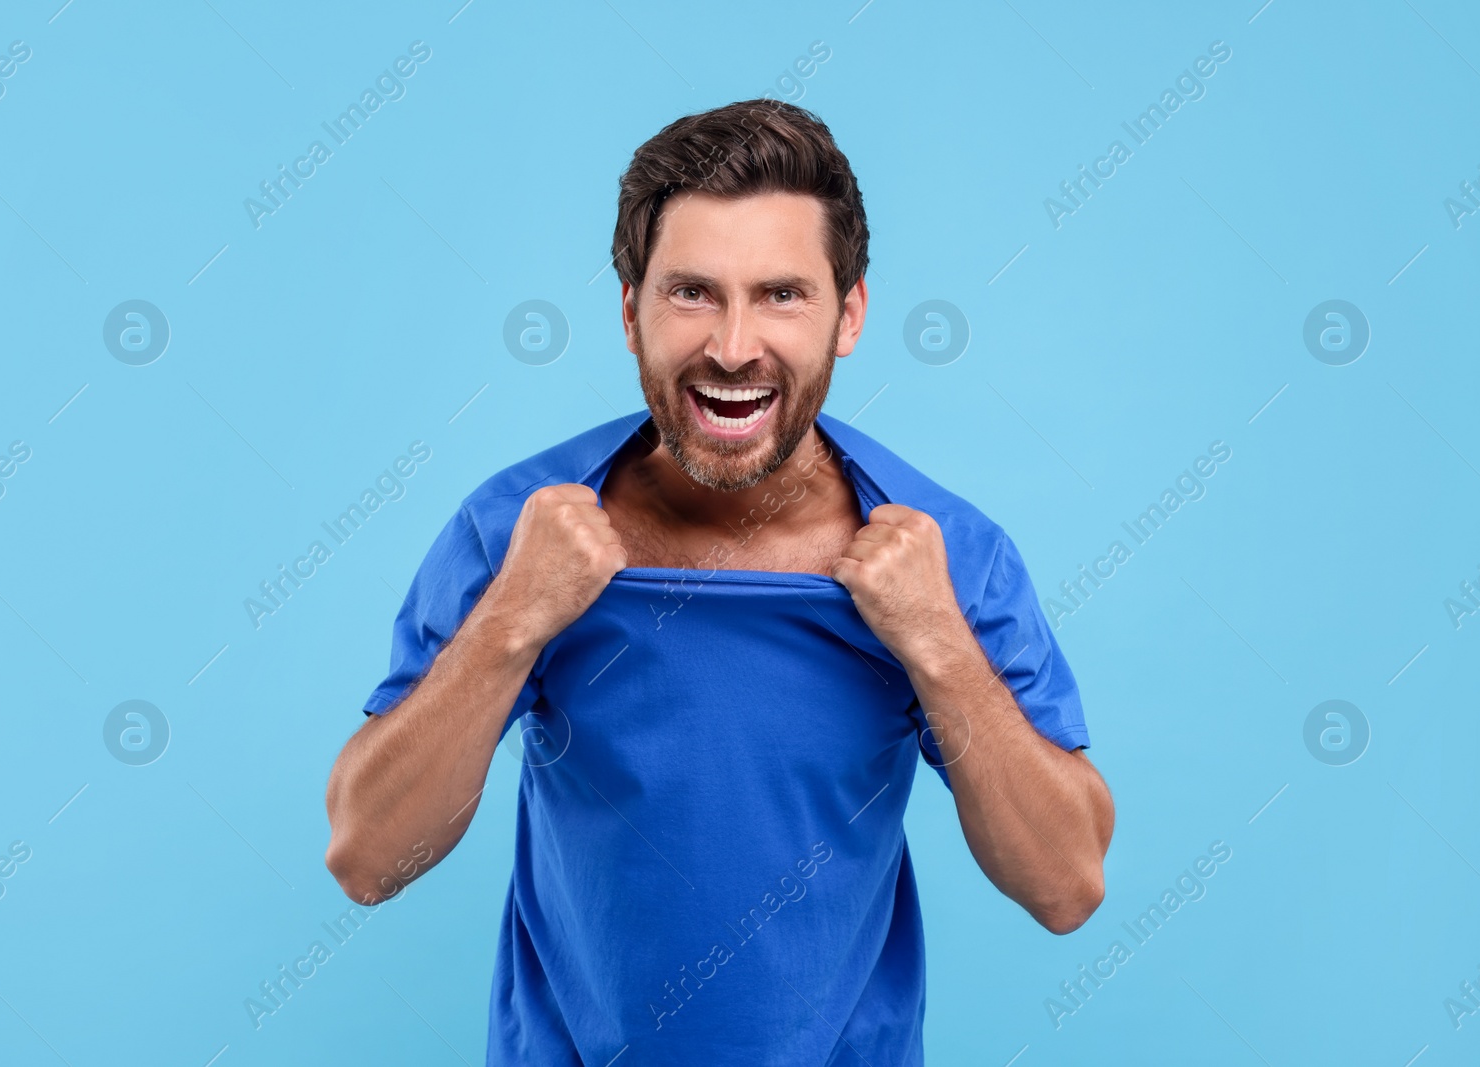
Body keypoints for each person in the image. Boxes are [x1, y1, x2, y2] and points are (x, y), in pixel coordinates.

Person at [324, 98, 1115, 1065]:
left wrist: (940, 646)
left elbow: (1067, 882)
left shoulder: (945, 556)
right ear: (630, 311)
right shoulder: (522, 531)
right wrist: (512, 621)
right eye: (692, 292)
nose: (734, 345)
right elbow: (366, 855)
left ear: (849, 313)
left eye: (782, 294)